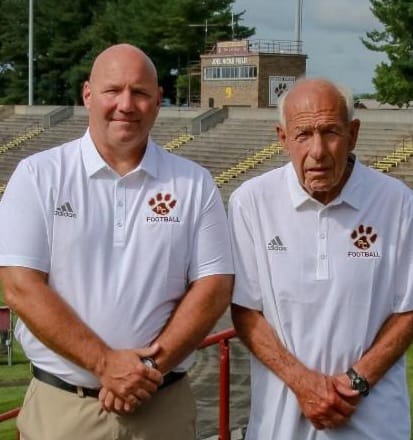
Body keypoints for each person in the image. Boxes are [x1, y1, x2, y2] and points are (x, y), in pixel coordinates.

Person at [0, 43, 234, 440]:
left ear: (158, 101)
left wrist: (146, 370)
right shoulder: (38, 176)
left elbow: (214, 288)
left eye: (140, 93)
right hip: (65, 409)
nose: (126, 104)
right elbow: (20, 286)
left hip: (162, 408)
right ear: (88, 95)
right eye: (114, 90)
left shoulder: (194, 183)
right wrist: (105, 363)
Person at [229, 78, 413, 439]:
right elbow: (245, 310)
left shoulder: (397, 202)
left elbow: (409, 309)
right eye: (303, 135)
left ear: (353, 133)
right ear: (282, 139)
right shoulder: (250, 203)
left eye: (330, 132)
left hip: (373, 425)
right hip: (279, 427)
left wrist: (355, 382)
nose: (318, 151)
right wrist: (303, 384)